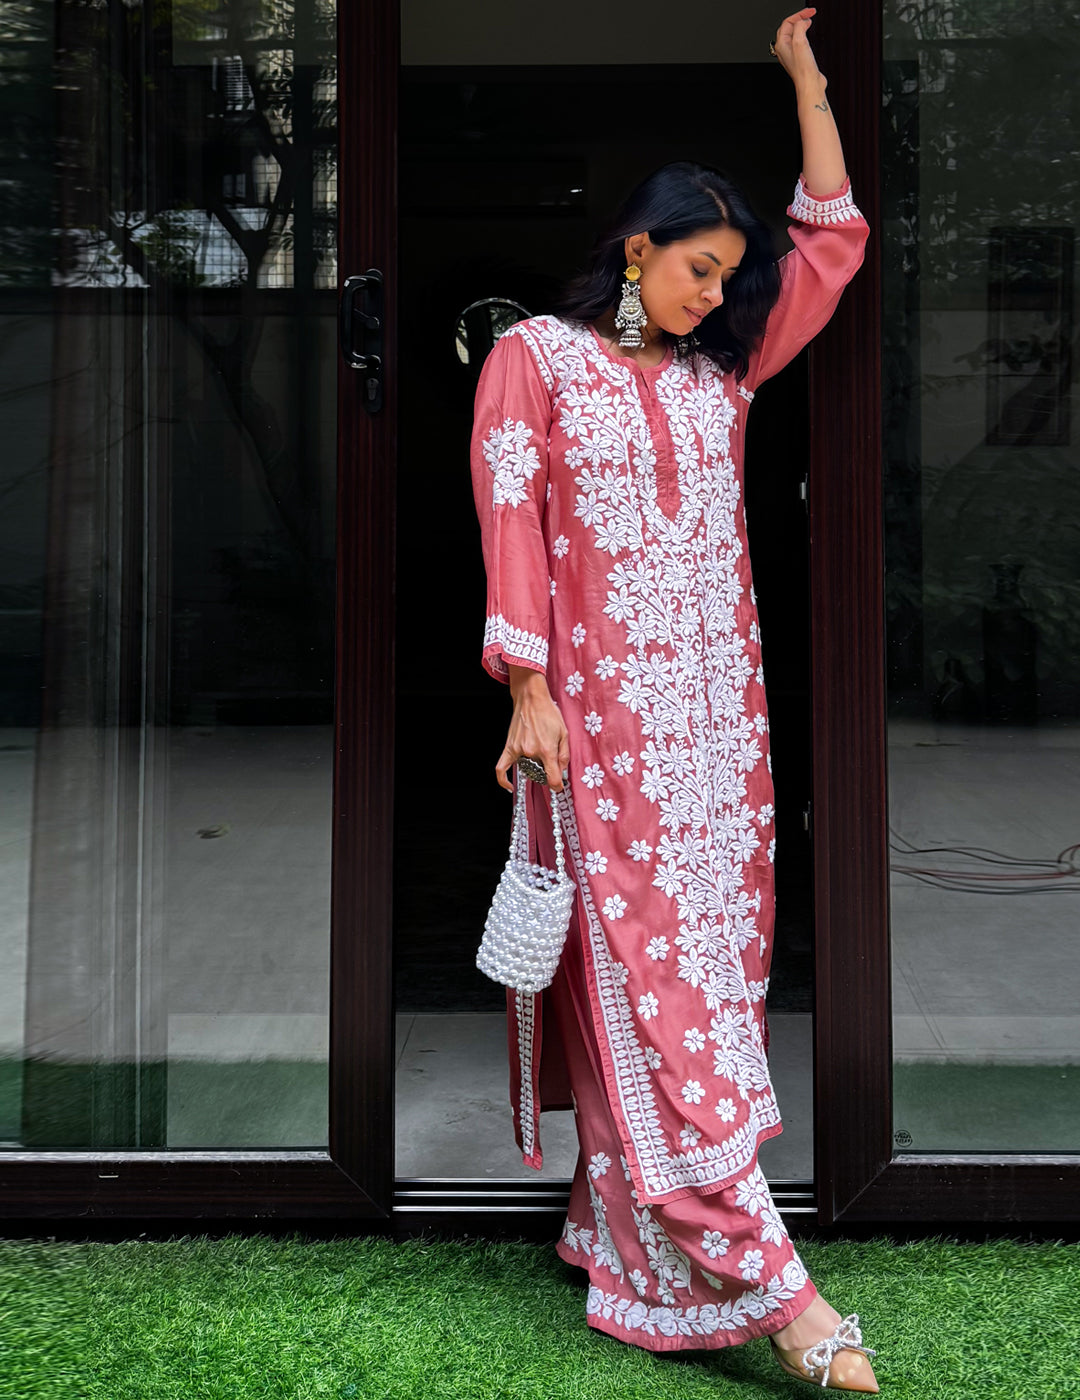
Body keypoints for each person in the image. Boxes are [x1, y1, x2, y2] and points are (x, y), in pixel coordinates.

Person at [469, 8, 879, 1392]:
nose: (718, 294)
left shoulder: (724, 375)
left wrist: (809, 85)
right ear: (638, 248)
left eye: (728, 276)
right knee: (653, 994)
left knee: (702, 981)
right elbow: (508, 517)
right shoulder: (539, 359)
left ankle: (628, 1233)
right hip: (604, 730)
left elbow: (830, 243)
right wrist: (529, 691)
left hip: (723, 742)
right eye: (701, 269)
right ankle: (784, 1291)